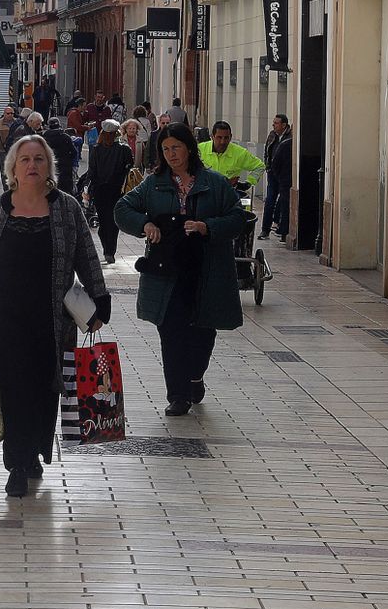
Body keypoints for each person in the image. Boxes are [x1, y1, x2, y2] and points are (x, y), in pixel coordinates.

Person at [0, 136, 111, 497]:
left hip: (50, 323)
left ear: (49, 166)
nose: (32, 165)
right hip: (0, 320)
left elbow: (86, 256)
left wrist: (99, 302)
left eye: (39, 159)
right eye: (24, 159)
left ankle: (35, 450)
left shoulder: (66, 208)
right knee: (11, 392)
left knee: (42, 392)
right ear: (12, 167)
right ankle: (17, 464)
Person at [114, 123, 245, 416]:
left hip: (205, 273)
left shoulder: (214, 183)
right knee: (170, 332)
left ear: (189, 148)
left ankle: (195, 376)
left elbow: (238, 218)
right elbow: (122, 210)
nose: (171, 154)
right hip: (167, 273)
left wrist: (207, 226)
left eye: (176, 147)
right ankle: (178, 395)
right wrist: (145, 225)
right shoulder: (154, 183)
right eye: (165, 149)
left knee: (203, 333)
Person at [78, 119, 133, 264]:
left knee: (103, 220)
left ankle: (106, 249)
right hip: (117, 190)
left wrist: (86, 188)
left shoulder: (96, 149)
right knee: (113, 221)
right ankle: (111, 251)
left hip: (100, 190)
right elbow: (129, 167)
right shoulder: (124, 149)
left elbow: (92, 172)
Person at [199, 121, 267, 186]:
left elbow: (260, 166)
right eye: (219, 137)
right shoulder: (200, 149)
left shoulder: (239, 153)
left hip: (228, 195)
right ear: (212, 136)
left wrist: (248, 183)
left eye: (226, 138)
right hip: (204, 193)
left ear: (230, 137)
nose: (222, 142)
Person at [260, 114, 294, 241]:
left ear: (284, 125)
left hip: (285, 175)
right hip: (272, 173)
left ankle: (282, 229)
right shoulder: (272, 135)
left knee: (284, 202)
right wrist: (268, 166)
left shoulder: (290, 137)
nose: (273, 125)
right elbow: (267, 151)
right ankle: (265, 229)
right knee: (270, 201)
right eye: (273, 123)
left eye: (276, 123)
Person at [42, 116, 78, 197]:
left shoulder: (44, 138)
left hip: (49, 167)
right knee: (64, 192)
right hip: (65, 168)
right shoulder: (65, 137)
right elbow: (74, 152)